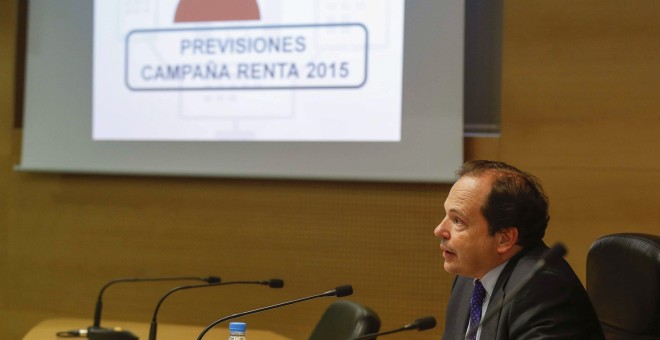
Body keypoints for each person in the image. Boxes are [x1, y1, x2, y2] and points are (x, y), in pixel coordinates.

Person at [435, 160, 604, 340]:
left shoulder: (542, 289)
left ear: (505, 239)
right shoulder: (469, 277)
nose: (439, 230)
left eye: (458, 221)